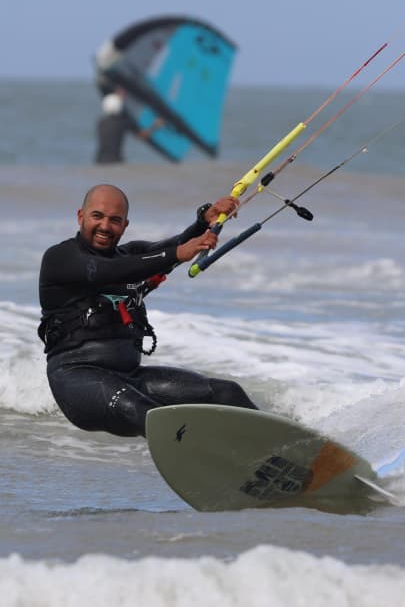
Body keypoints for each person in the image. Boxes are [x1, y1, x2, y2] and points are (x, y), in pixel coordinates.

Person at [38, 184, 258, 437]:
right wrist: (177, 254)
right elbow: (112, 270)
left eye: (115, 220)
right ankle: (211, 467)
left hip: (130, 376)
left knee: (226, 393)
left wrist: (203, 222)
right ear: (81, 216)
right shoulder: (61, 257)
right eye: (97, 216)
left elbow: (170, 246)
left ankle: (284, 449)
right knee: (150, 415)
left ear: (125, 225)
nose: (105, 226)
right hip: (76, 378)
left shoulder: (130, 255)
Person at [95, 88, 164, 164]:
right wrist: (155, 126)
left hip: (99, 160)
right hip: (115, 161)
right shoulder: (123, 122)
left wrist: (120, 97)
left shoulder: (101, 123)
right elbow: (142, 135)